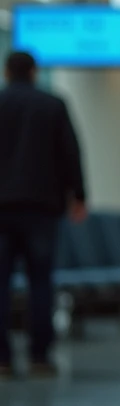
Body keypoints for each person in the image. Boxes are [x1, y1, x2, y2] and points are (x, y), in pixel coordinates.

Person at [0, 52, 86, 379]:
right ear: (35, 72)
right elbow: (70, 153)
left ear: (6, 72)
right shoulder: (52, 105)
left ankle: (3, 358)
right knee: (40, 282)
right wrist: (78, 195)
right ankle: (40, 356)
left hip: (1, 208)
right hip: (41, 207)